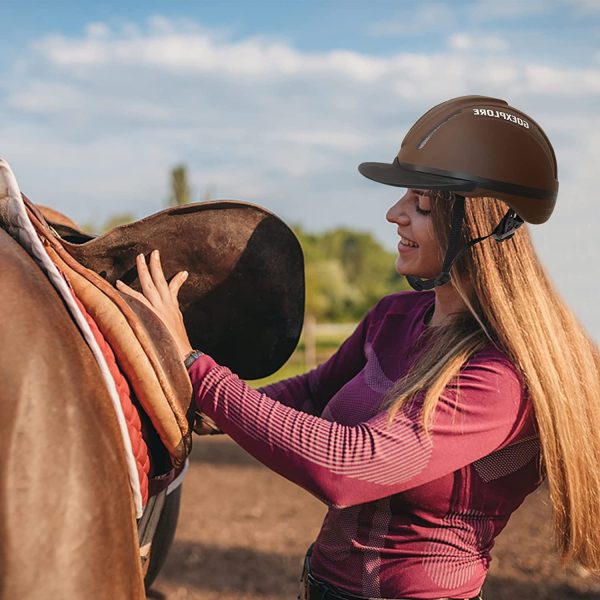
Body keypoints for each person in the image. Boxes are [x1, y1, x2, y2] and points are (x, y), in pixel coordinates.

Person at [117, 95, 600, 600]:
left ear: (478, 229)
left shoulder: (501, 376)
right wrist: (187, 403)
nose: (395, 214)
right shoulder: (395, 317)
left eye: (422, 205)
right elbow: (311, 393)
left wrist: (196, 368)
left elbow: (347, 467)